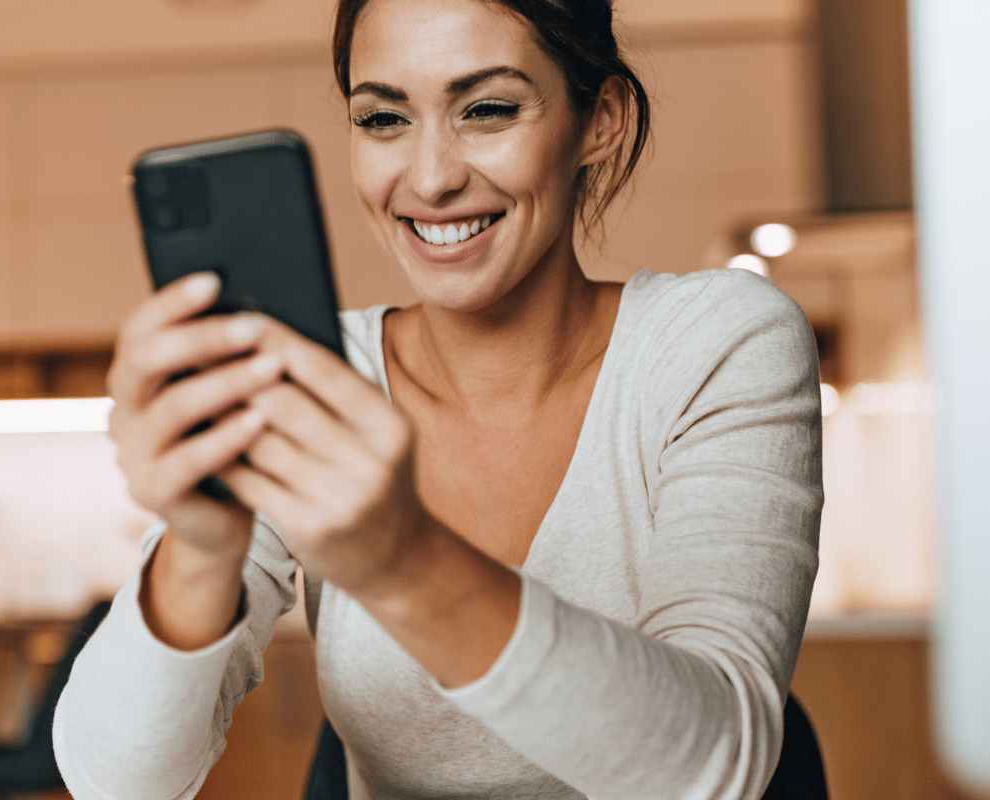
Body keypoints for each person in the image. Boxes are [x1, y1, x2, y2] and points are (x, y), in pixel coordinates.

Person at [54, 0, 823, 796]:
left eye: (487, 109)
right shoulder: (312, 374)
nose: (430, 178)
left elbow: (715, 767)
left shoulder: (713, 342)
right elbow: (117, 783)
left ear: (602, 120)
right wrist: (203, 545)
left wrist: (399, 559)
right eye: (383, 118)